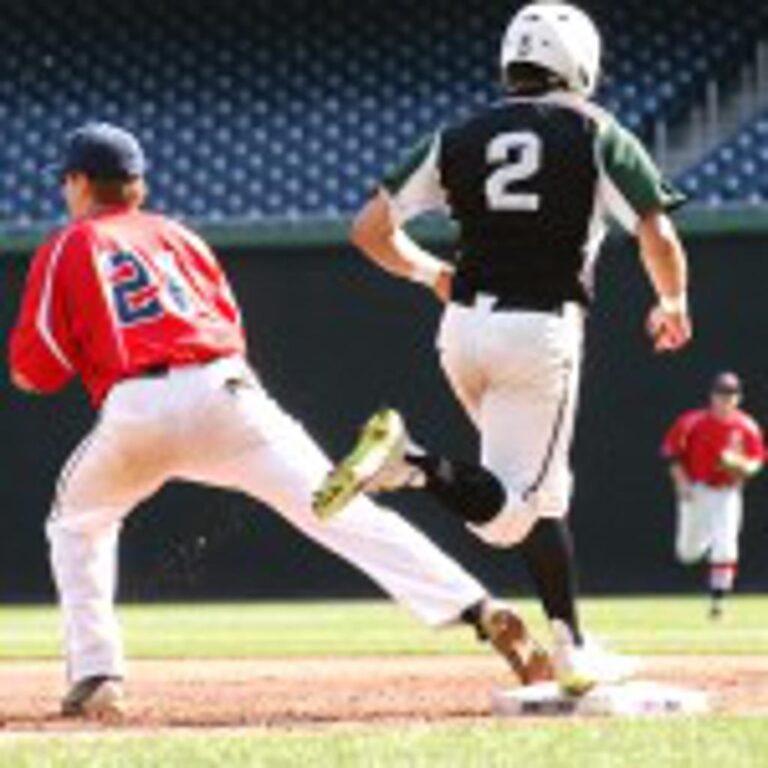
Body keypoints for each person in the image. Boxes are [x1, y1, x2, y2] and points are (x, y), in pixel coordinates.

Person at [8, 123, 552, 719]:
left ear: (81, 183)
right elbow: (229, 329)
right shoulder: (183, 238)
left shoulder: (69, 244)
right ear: (137, 185)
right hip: (229, 390)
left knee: (78, 524)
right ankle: (477, 607)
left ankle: (95, 675)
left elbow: (36, 370)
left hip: (137, 404)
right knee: (338, 506)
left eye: (67, 181)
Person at [314, 2, 691, 694]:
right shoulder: (595, 130)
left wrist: (430, 271)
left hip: (461, 330)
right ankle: (411, 467)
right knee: (512, 514)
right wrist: (673, 302)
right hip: (539, 331)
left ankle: (574, 647)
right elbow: (656, 233)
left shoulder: (458, 133)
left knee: (538, 500)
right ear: (579, 62)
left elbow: (368, 229)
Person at [662, 372, 764, 619]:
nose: (725, 398)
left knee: (727, 547)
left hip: (727, 493)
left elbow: (756, 461)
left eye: (730, 394)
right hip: (697, 490)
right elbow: (672, 454)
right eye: (721, 393)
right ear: (712, 396)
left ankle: (717, 604)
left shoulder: (747, 427)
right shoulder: (692, 422)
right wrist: (682, 483)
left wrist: (743, 467)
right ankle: (709, 537)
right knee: (688, 553)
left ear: (738, 398)